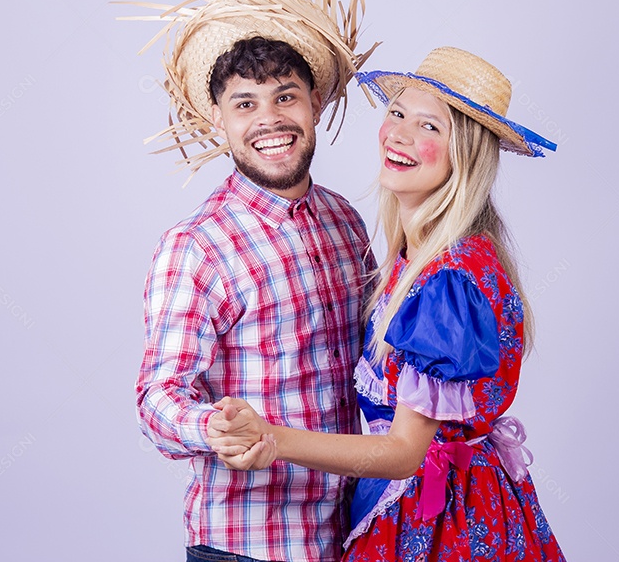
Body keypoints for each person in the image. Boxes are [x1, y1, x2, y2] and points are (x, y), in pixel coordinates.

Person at [208, 47, 568, 561]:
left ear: (463, 153)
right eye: (397, 113)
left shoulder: (448, 280)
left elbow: (402, 453)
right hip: (423, 504)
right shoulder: (416, 256)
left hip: (443, 522)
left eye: (429, 127)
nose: (399, 134)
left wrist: (273, 437)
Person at [129, 0, 379, 562]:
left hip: (349, 535)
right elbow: (158, 398)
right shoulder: (198, 248)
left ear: (316, 103)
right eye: (245, 104)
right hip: (247, 547)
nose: (269, 119)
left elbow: (379, 359)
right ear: (217, 119)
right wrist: (210, 426)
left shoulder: (346, 223)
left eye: (286, 96)